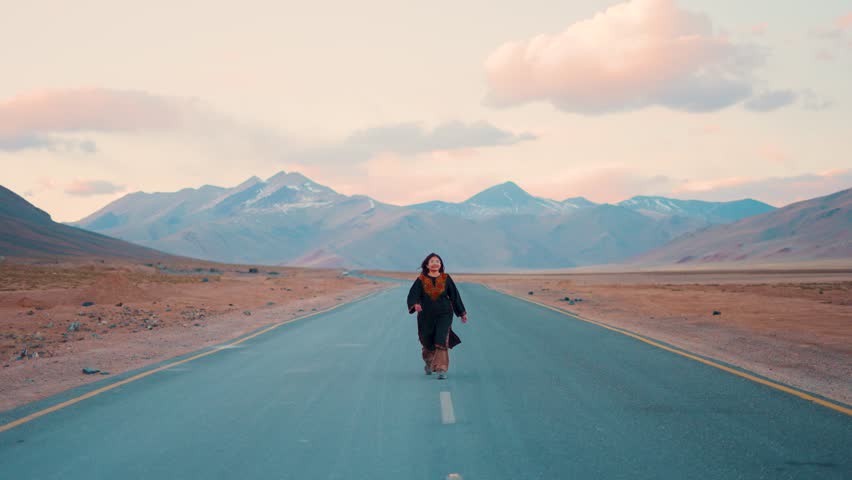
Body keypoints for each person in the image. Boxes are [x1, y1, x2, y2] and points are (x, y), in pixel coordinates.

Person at [406, 252, 468, 380]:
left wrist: (462, 313)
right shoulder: (421, 279)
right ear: (427, 265)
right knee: (427, 340)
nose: (435, 263)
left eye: (438, 261)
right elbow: (413, 295)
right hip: (425, 315)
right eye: (432, 261)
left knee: (441, 338)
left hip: (444, 313)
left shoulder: (446, 278)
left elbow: (454, 296)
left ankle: (441, 368)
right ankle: (429, 362)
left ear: (441, 265)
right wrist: (415, 305)